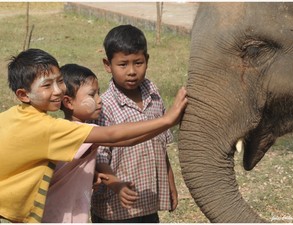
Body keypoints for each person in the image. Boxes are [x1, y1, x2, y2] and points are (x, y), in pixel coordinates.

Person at [0, 48, 187, 223]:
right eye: (47, 85)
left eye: (59, 81)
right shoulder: (48, 128)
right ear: (23, 95)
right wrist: (167, 120)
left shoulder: (14, 115)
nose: (57, 90)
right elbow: (115, 136)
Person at [90, 24, 179, 223]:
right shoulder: (104, 107)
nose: (131, 71)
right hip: (114, 208)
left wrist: (171, 184)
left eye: (138, 63)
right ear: (107, 65)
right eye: (123, 64)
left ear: (147, 60)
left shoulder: (154, 98)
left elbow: (162, 147)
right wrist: (117, 185)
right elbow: (100, 157)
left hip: (148, 201)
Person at [42, 63, 108, 223]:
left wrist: (91, 175)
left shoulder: (59, 129)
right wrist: (165, 121)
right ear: (69, 102)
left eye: (98, 93)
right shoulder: (83, 132)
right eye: (92, 95)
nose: (100, 100)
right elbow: (121, 137)